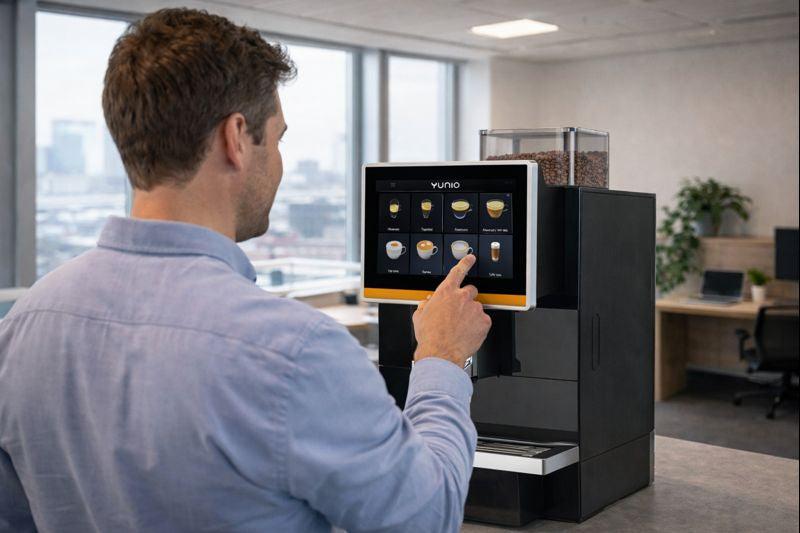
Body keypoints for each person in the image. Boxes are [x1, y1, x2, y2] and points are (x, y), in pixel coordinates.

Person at [0, 8, 491, 533]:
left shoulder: (23, 327)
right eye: (277, 139)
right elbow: (426, 517)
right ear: (235, 137)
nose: (278, 162)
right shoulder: (293, 351)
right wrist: (442, 358)